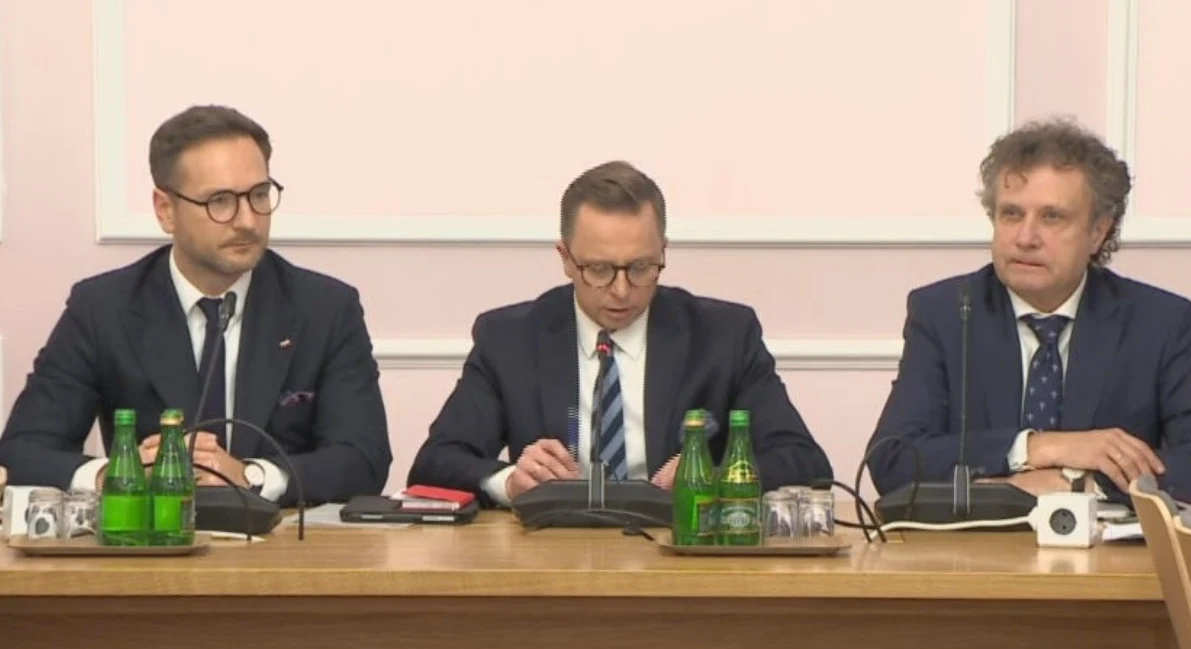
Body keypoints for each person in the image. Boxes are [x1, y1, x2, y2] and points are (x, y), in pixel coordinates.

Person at [0, 105, 391, 506]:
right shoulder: (103, 309)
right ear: (165, 210)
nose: (248, 220)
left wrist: (250, 475)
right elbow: (22, 451)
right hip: (149, 538)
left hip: (281, 541)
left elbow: (364, 459)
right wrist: (117, 473)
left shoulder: (325, 309)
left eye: (259, 195)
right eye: (220, 201)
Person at [868, 118, 1191, 506]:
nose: (1025, 238)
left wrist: (1080, 485)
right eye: (1011, 214)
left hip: (1103, 544)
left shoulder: (1155, 321)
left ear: (1098, 232)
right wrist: (1038, 448)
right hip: (979, 543)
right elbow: (893, 459)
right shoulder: (946, 313)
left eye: (1052, 217)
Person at [410, 160, 831, 505]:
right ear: (565, 258)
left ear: (663, 251)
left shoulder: (723, 336)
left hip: (680, 557)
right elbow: (435, 463)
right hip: (553, 557)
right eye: (599, 269)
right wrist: (509, 481)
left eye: (642, 267)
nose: (622, 290)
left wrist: (714, 475)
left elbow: (805, 462)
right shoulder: (510, 339)